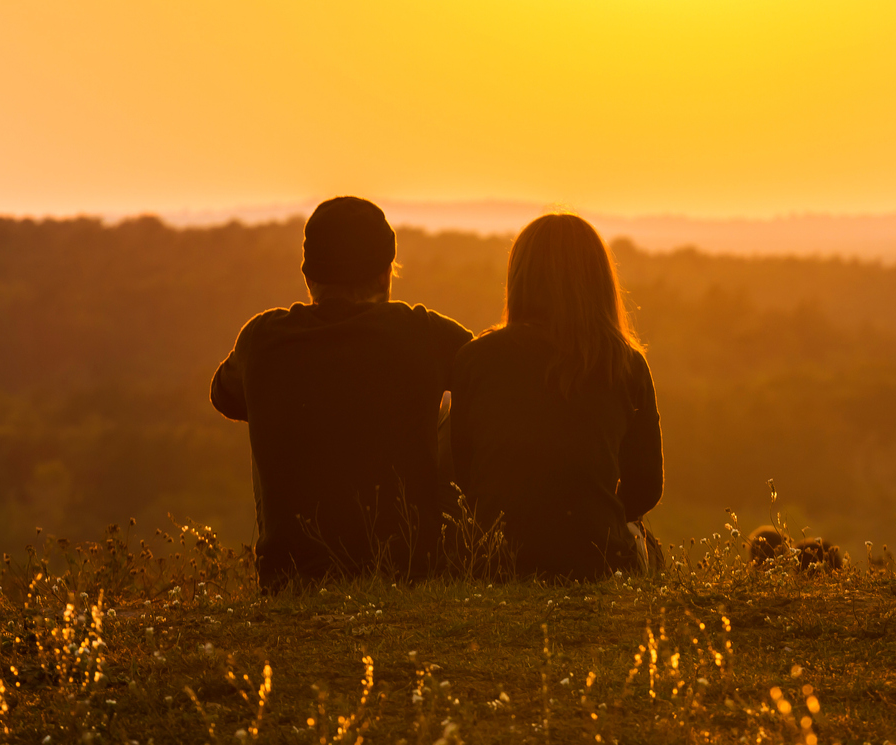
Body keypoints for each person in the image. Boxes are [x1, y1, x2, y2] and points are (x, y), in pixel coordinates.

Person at [210, 197, 471, 591]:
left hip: (290, 577)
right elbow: (488, 373)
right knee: (456, 408)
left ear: (309, 277)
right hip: (409, 570)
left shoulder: (262, 340)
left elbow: (224, 396)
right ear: (386, 274)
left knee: (263, 401)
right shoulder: (424, 334)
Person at [448, 213, 663, 579]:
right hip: (596, 561)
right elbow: (646, 487)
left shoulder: (475, 358)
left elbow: (462, 472)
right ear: (599, 281)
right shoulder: (624, 363)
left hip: (495, 563)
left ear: (520, 278)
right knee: (652, 549)